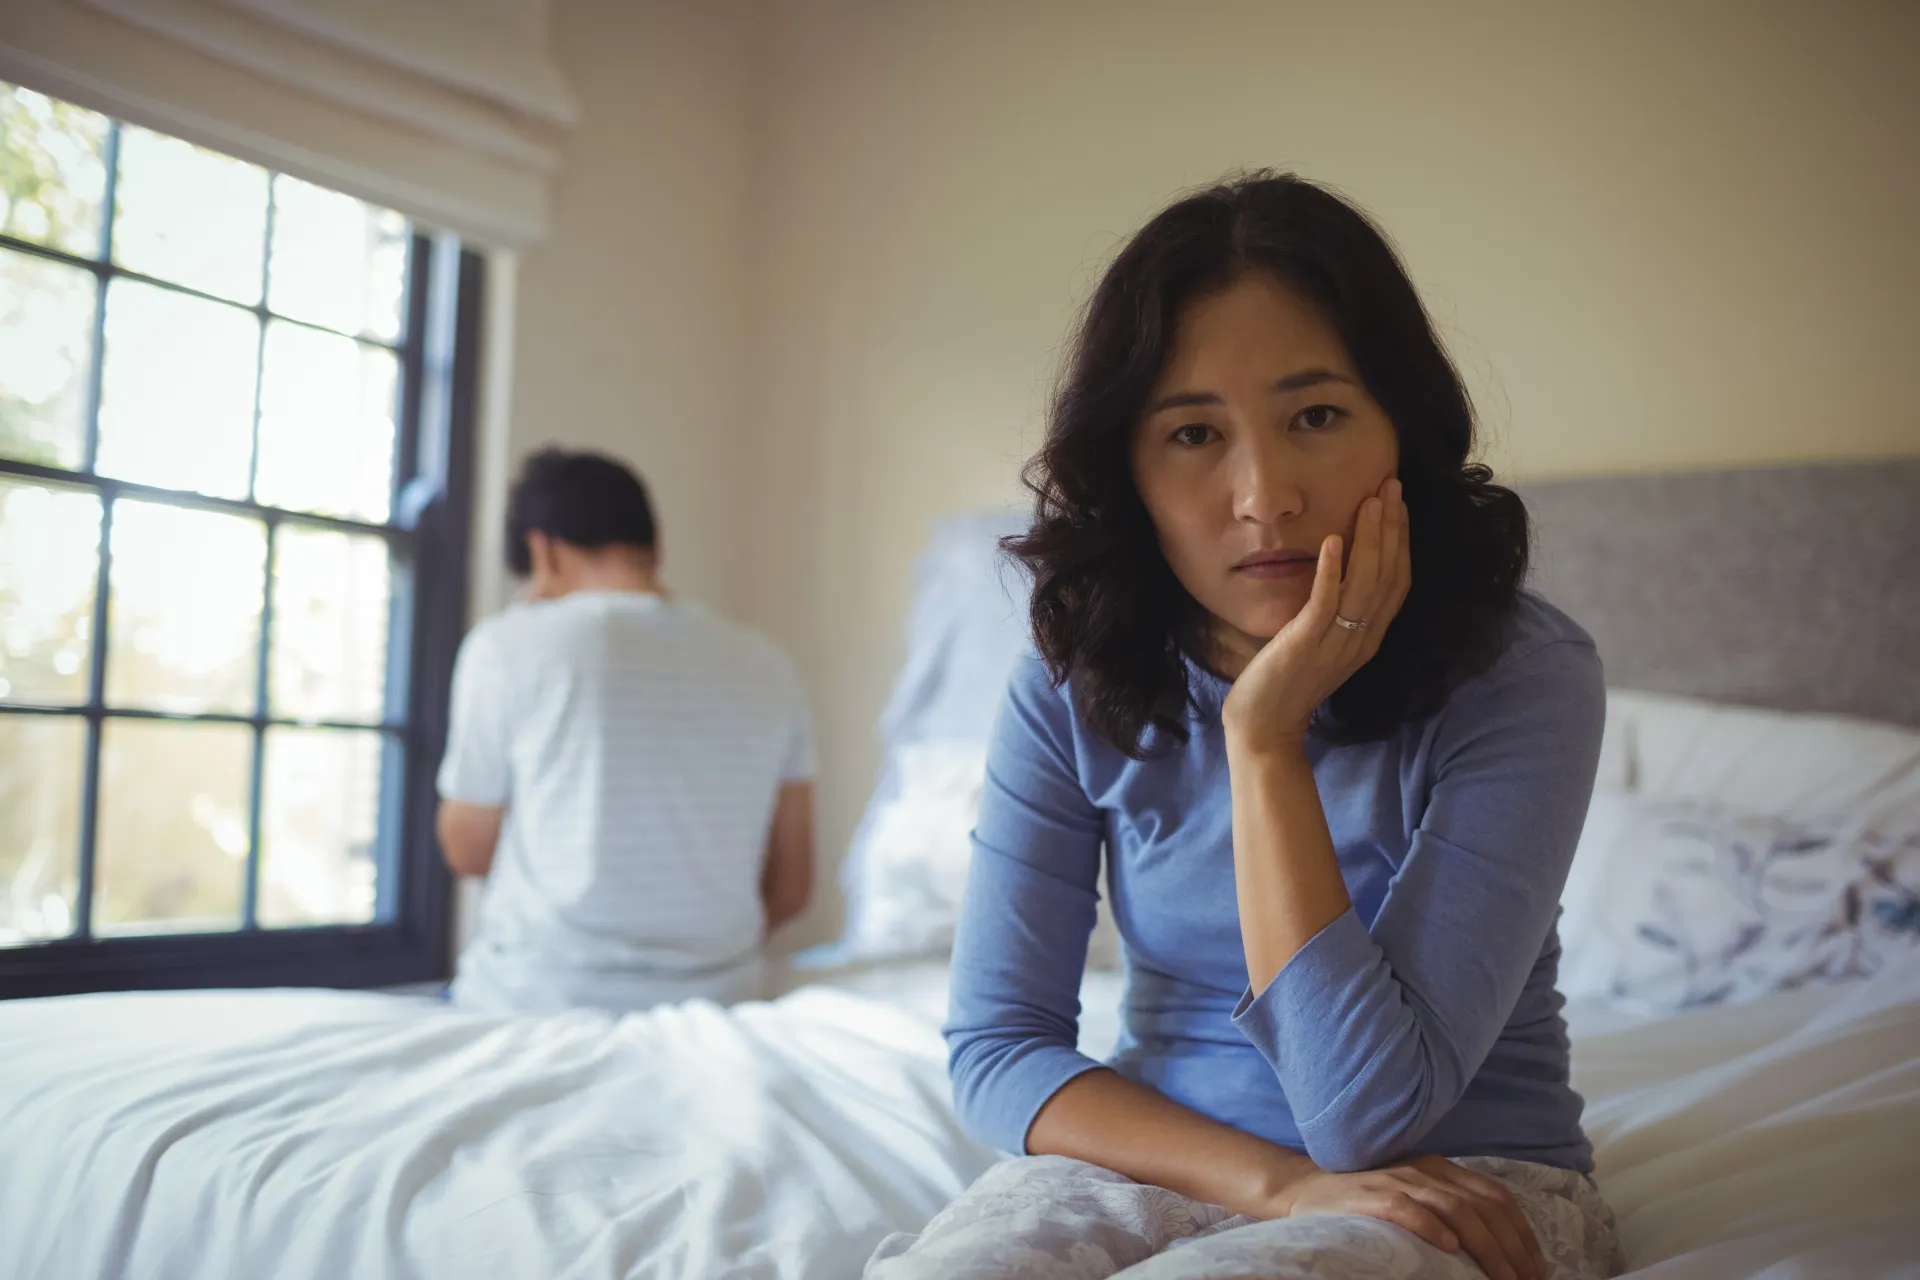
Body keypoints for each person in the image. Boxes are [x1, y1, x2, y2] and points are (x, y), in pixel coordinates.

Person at [868, 174, 1623, 1279]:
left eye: (1315, 415)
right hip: (1158, 1162)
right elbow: (996, 1048)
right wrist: (1272, 1183)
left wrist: (1262, 736)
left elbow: (1366, 1112)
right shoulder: (1072, 681)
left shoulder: (1521, 676)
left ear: (1398, 433)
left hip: (1456, 1180)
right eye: (1192, 432)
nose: (1263, 495)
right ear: (1129, 466)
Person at [435, 448, 815, 1015]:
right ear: (654, 546)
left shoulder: (508, 646)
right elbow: (790, 886)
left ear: (543, 550)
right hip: (718, 1001)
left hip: (540, 998)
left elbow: (466, 849)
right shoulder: (770, 665)